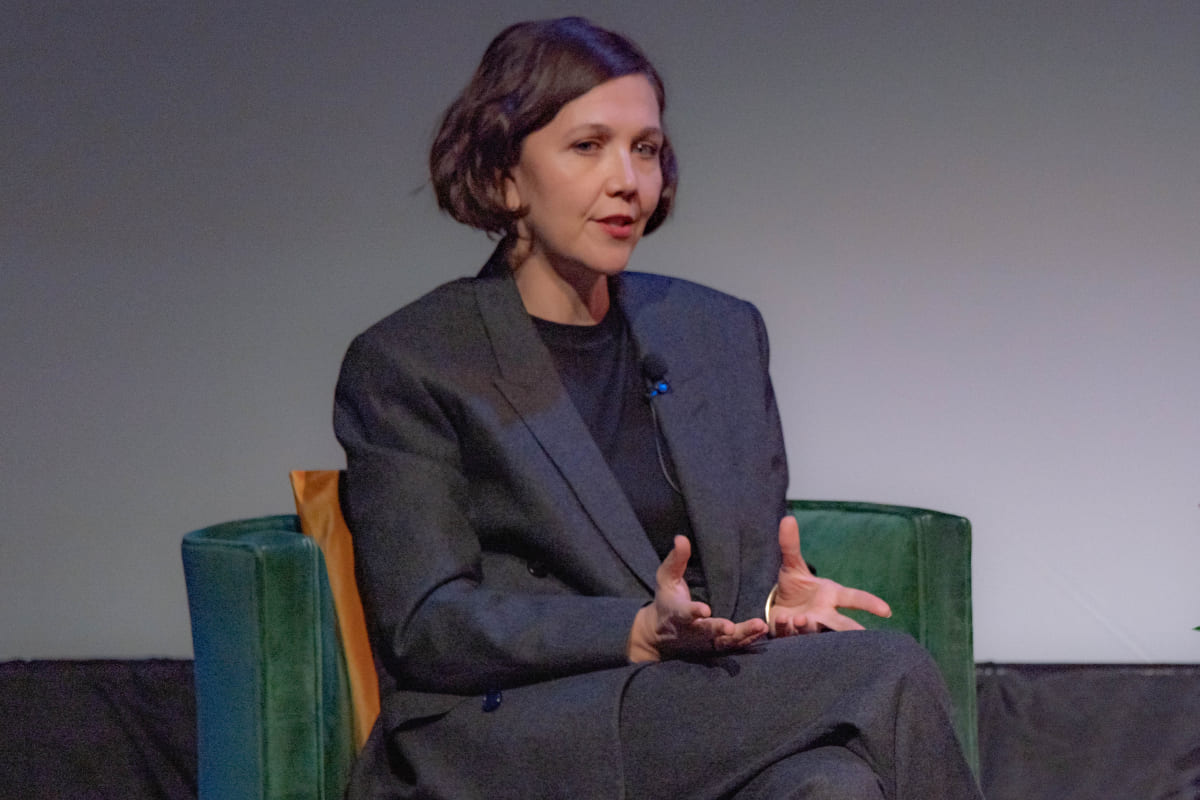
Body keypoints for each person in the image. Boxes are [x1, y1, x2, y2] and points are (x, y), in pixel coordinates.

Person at [334, 16, 982, 800]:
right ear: (505, 176)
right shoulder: (414, 360)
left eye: (645, 148)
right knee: (888, 667)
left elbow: (731, 567)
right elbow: (426, 624)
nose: (628, 181)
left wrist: (773, 604)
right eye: (588, 146)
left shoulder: (715, 333)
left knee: (833, 787)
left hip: (689, 712)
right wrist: (635, 631)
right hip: (519, 727)